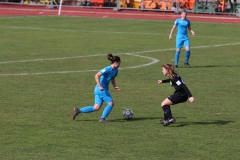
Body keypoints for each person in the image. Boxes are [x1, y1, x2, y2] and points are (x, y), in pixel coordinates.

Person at [72, 54, 121, 123]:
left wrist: (115, 86)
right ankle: (102, 119)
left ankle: (78, 110)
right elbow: (97, 75)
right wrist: (100, 85)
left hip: (99, 90)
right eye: (119, 63)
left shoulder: (115, 70)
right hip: (101, 89)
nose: (120, 64)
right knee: (111, 103)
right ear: (116, 62)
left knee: (96, 107)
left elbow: (112, 78)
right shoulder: (107, 69)